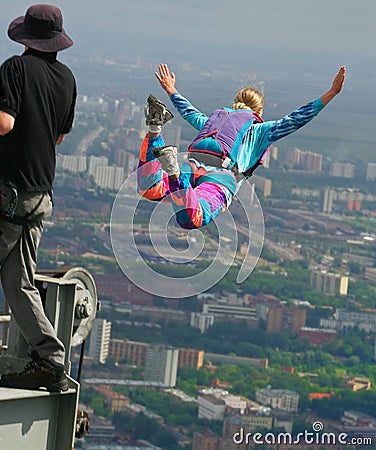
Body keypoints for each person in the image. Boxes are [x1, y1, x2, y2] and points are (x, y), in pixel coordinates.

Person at [138, 63, 346, 229]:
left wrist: (171, 90)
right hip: (221, 177)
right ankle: (174, 172)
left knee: (149, 188)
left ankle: (155, 130)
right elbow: (295, 119)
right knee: (191, 217)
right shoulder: (261, 130)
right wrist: (330, 94)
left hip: (193, 164)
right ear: (259, 112)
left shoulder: (216, 122)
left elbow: (189, 112)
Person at [0, 4, 77, 392]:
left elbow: (4, 122)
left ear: (25, 38)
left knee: (19, 280)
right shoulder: (67, 78)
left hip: (8, 193)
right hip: (40, 195)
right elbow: (59, 136)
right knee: (19, 282)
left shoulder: (15, 69)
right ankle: (50, 359)